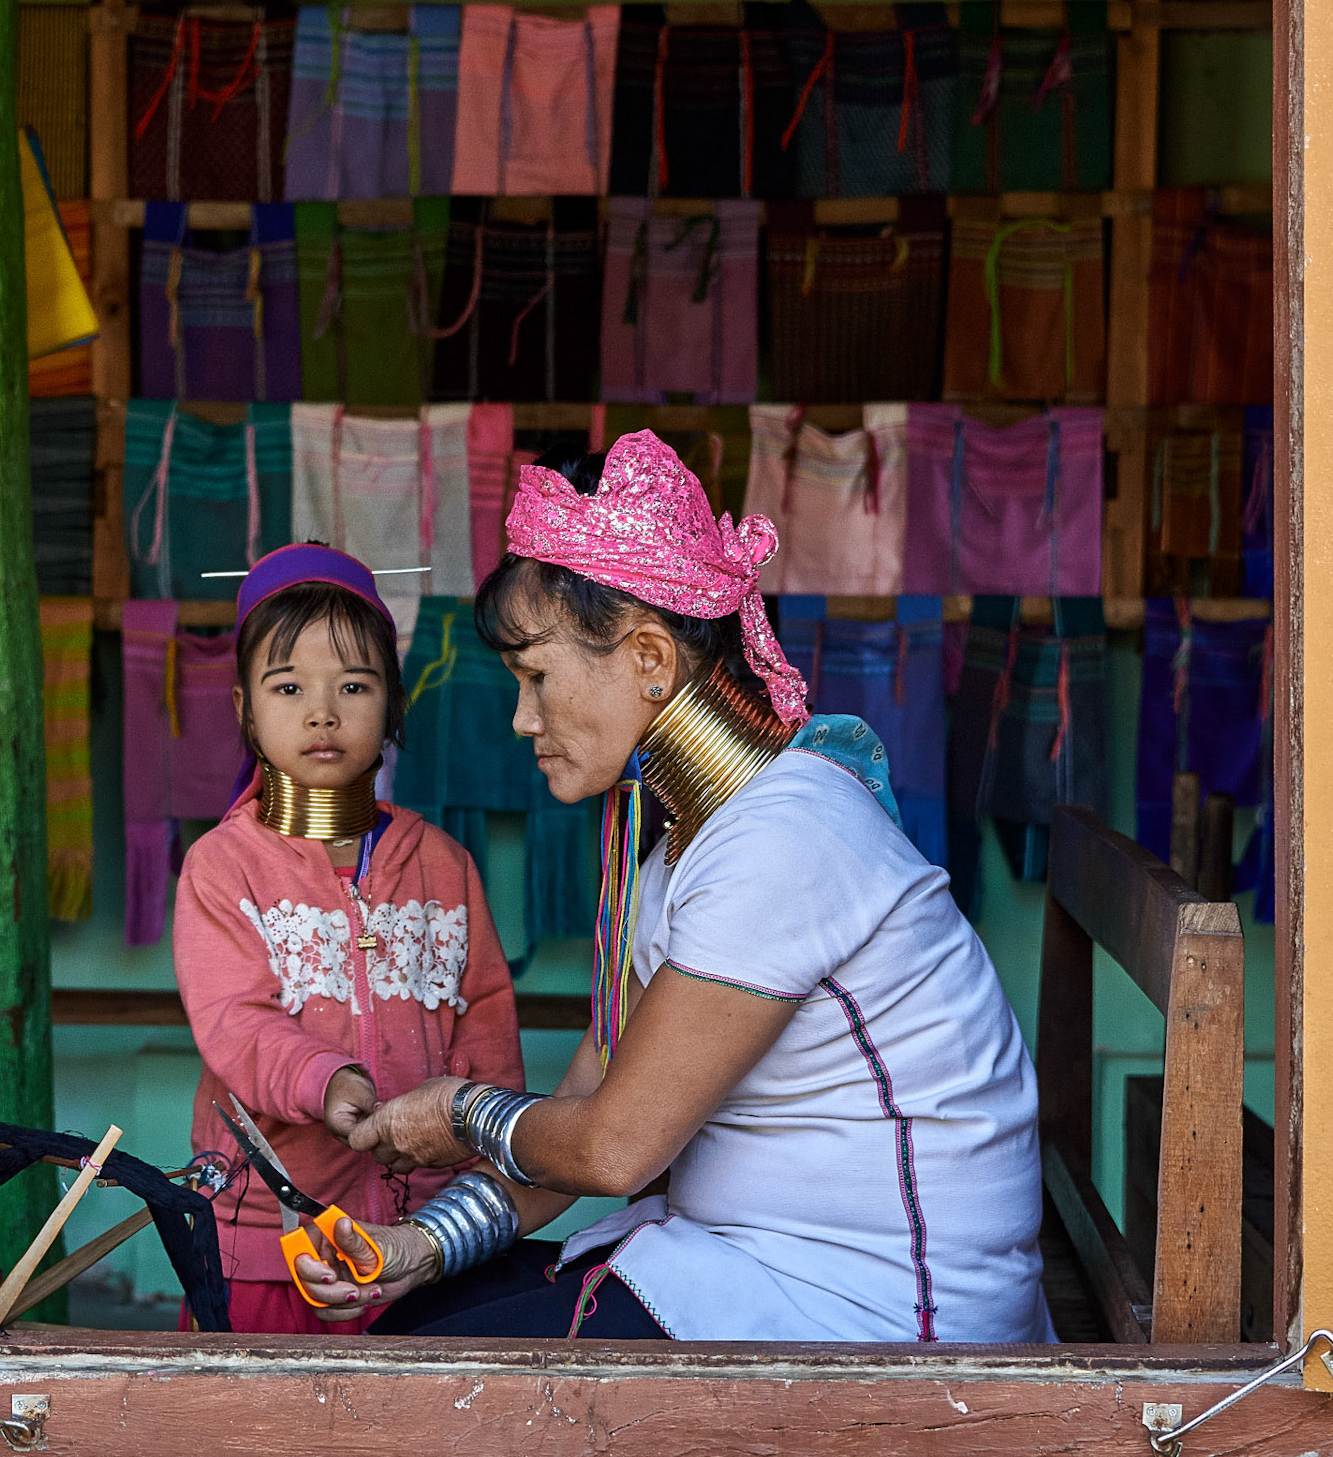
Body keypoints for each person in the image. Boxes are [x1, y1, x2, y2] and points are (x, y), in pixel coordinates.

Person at [295, 432, 1053, 1344]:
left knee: (421, 1371)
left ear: (651, 660)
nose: (521, 717)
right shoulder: (684, 849)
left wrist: (460, 1112)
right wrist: (421, 1244)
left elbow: (613, 1148)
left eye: (537, 676)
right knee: (417, 1323)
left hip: (886, 1311)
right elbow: (591, 1098)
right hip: (770, 1264)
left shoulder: (783, 835)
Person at [172, 542, 522, 1333]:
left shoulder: (446, 867)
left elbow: (488, 1036)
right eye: (288, 686)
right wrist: (325, 1082)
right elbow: (235, 1021)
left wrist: (474, 1175)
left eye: (354, 686)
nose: (322, 712)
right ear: (244, 711)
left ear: (395, 706)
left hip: (419, 1243)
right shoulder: (223, 868)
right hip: (264, 1244)